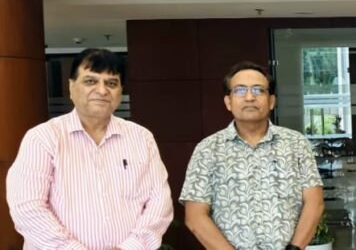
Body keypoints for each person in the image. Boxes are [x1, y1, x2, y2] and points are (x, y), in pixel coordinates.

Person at [7, 48, 173, 249]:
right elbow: (28, 207)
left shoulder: (141, 138)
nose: (102, 90)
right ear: (71, 86)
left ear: (120, 91)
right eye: (90, 81)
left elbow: (159, 201)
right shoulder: (43, 138)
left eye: (111, 83)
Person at [180, 61, 324, 250]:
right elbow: (195, 216)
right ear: (228, 102)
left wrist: (294, 248)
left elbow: (315, 202)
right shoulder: (207, 149)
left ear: (271, 101)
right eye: (240, 90)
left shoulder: (296, 144)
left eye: (258, 90)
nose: (249, 97)